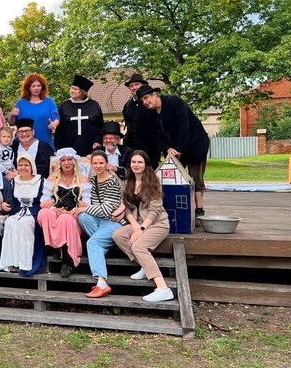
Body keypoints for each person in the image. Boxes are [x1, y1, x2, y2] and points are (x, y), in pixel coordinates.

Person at [137, 85, 210, 216]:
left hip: (195, 144)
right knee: (172, 176)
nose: (145, 102)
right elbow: (154, 136)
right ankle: (175, 208)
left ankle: (199, 210)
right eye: (142, 101)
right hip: (174, 148)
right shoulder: (150, 114)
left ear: (155, 94)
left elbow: (184, 126)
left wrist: (180, 149)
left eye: (146, 98)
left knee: (195, 177)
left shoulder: (174, 101)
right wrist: (167, 148)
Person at [112, 150, 174, 302]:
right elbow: (127, 207)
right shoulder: (127, 183)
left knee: (138, 247)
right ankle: (145, 267)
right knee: (118, 235)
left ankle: (163, 288)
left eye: (140, 162)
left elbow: (154, 210)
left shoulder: (153, 182)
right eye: (133, 162)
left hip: (157, 223)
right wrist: (134, 225)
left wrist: (141, 229)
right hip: (138, 222)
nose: (136, 165)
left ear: (146, 164)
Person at [76, 150, 124, 298]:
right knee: (82, 217)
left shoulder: (113, 181)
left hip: (113, 221)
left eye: (101, 163)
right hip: (98, 220)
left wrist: (84, 208)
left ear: (107, 163)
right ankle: (102, 247)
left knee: (92, 243)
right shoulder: (92, 180)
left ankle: (102, 283)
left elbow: (107, 210)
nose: (98, 166)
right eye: (95, 163)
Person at [37, 148, 90, 277]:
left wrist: (73, 208)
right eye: (63, 160)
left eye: (69, 159)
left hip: (74, 215)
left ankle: (67, 260)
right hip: (58, 211)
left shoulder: (83, 180)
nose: (66, 163)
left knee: (65, 219)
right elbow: (44, 202)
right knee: (44, 213)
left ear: (74, 161)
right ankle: (56, 245)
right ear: (59, 162)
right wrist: (55, 208)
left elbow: (87, 203)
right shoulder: (52, 178)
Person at [0, 154, 47, 275]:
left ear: (32, 167)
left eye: (26, 165)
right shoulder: (14, 181)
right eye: (20, 165)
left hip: (34, 212)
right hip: (17, 211)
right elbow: (9, 200)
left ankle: (25, 262)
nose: (23, 168)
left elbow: (46, 199)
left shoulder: (40, 181)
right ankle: (12, 262)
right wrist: (4, 204)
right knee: (10, 222)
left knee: (25, 224)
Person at [55, 74, 104, 155]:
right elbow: (59, 130)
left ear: (82, 91)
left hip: (90, 148)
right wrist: (59, 148)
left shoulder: (94, 105)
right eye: (71, 88)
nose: (72, 91)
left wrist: (98, 141)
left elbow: (100, 127)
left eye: (75, 89)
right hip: (68, 147)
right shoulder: (64, 106)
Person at [8, 73, 59, 149]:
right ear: (28, 88)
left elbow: (56, 117)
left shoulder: (49, 101)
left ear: (42, 87)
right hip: (24, 145)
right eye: (33, 86)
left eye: (39, 86)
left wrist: (54, 124)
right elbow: (11, 123)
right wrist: (11, 115)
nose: (36, 88)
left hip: (44, 143)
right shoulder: (20, 103)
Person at [122, 73, 161, 168]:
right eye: (131, 86)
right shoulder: (127, 106)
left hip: (150, 148)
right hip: (131, 148)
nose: (134, 87)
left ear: (143, 85)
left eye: (136, 84)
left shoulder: (150, 103)